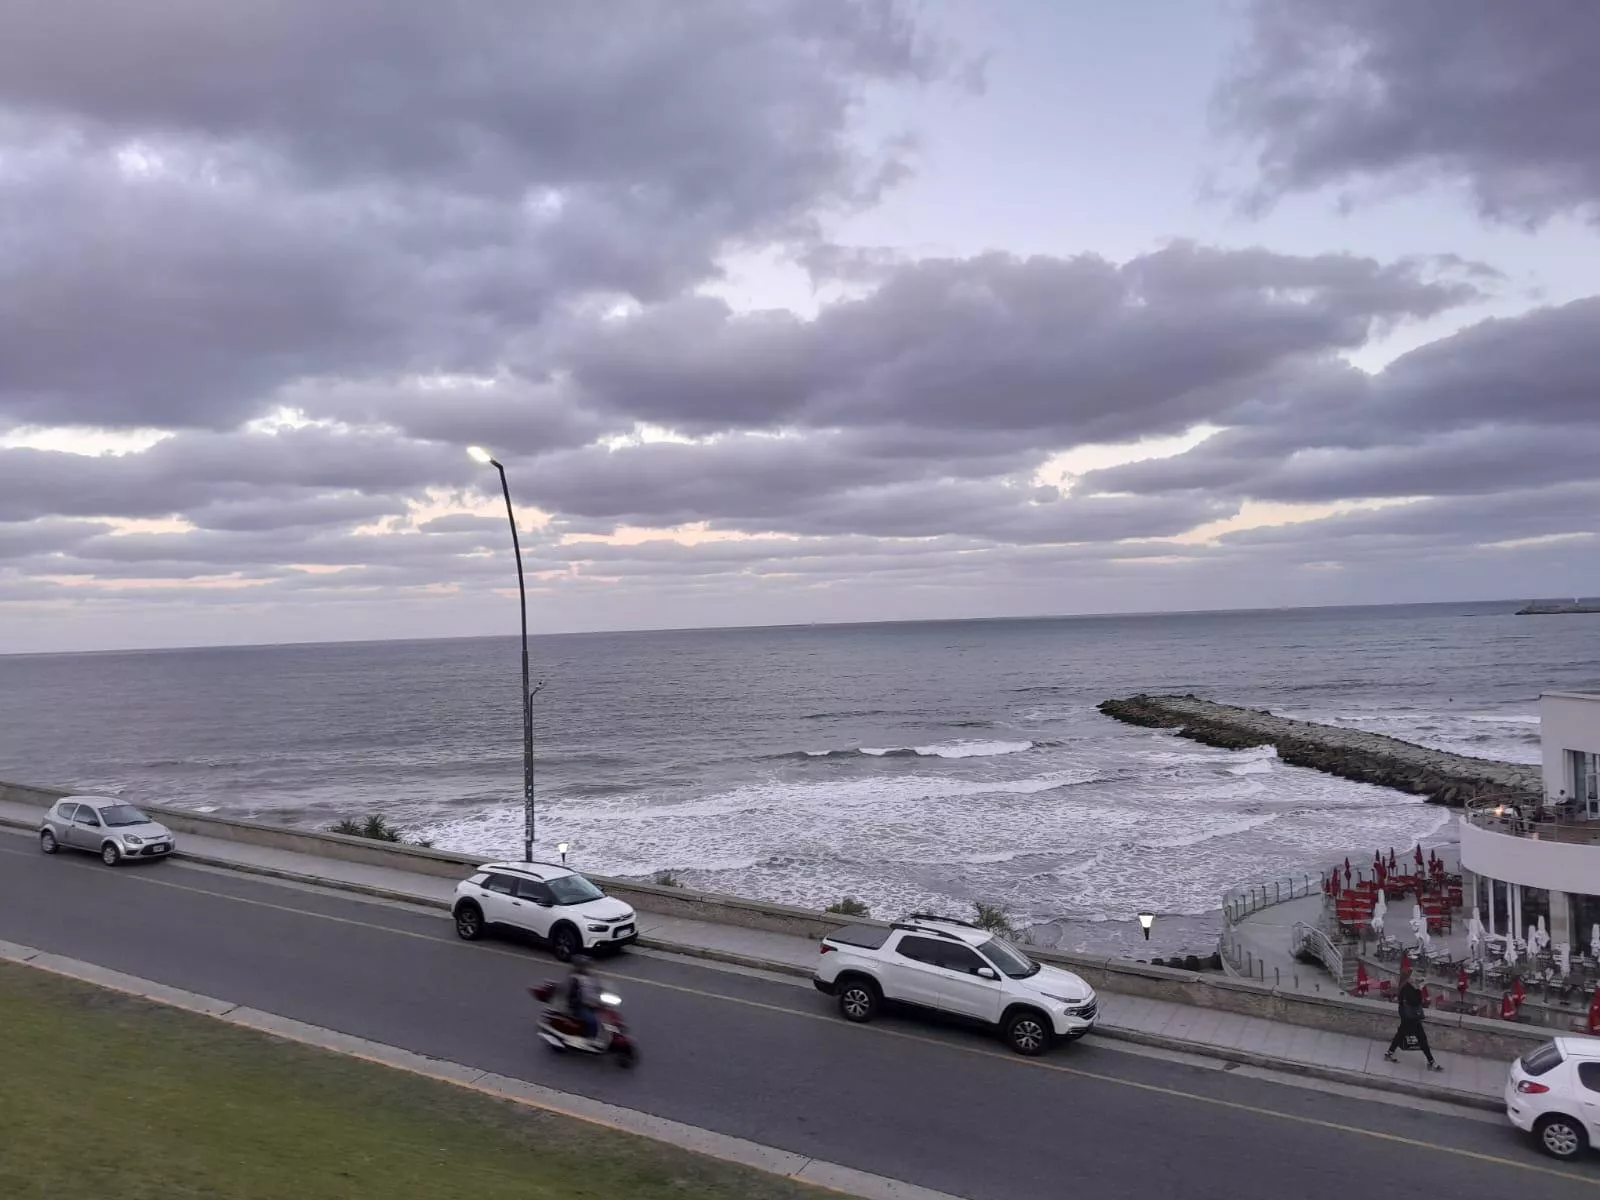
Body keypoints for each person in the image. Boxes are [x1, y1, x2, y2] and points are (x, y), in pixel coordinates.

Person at [1384, 966, 1442, 1071]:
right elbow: (1417, 1002)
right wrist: (1419, 989)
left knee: (1401, 1034)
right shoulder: (1409, 989)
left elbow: (1408, 1002)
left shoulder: (1406, 987)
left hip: (1407, 1017)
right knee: (1422, 1038)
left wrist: (1418, 989)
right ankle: (1431, 1062)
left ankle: (1389, 1052)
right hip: (1411, 1018)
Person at [565, 955, 600, 1041]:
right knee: (592, 1020)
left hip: (591, 1003)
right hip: (580, 1006)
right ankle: (591, 1039)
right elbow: (573, 996)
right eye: (584, 966)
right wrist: (581, 1002)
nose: (587, 968)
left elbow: (596, 987)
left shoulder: (589, 976)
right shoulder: (575, 980)